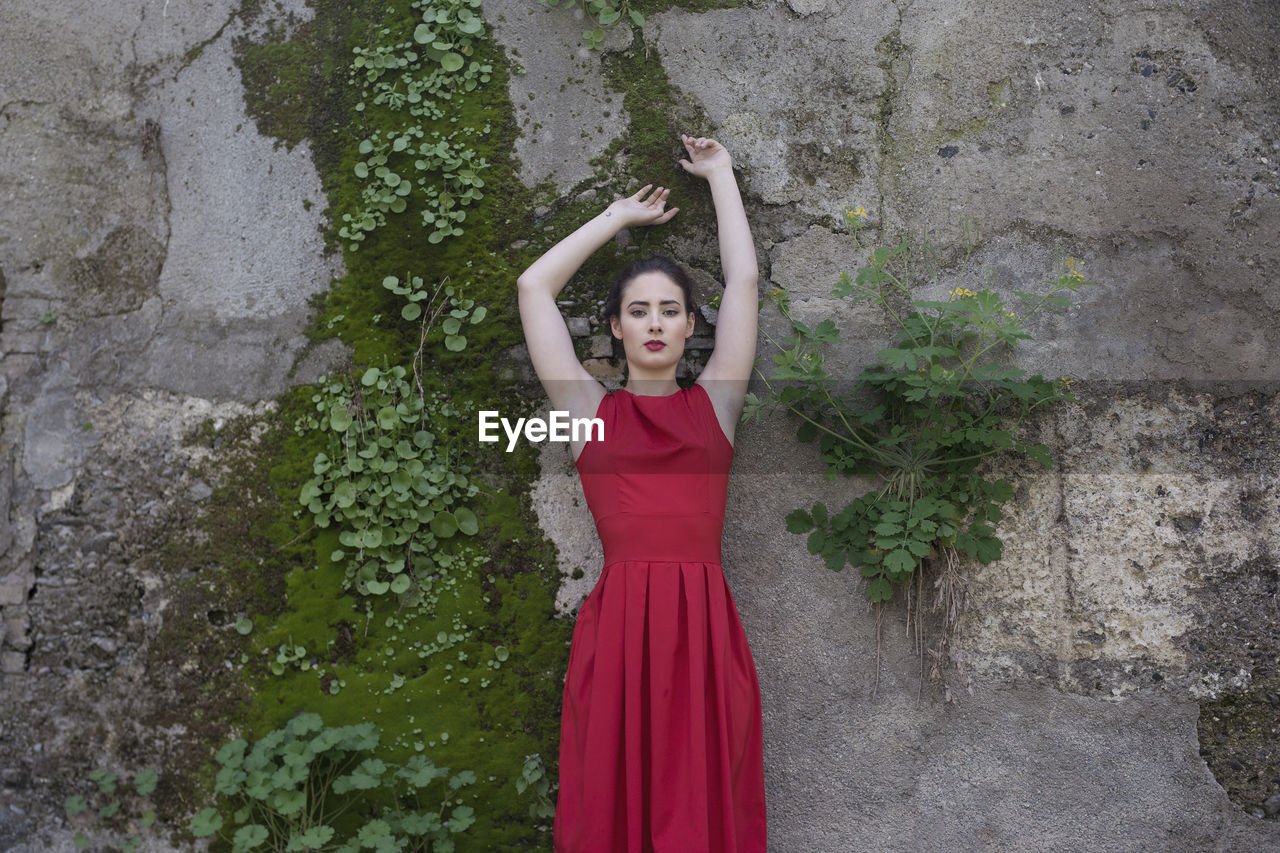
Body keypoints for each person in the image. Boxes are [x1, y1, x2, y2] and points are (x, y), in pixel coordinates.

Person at [517, 134, 767, 852]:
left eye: (669, 311)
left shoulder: (714, 405)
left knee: (705, 801)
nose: (655, 323)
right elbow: (534, 288)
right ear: (617, 327)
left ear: (692, 327)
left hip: (704, 630)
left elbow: (744, 281)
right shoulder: (587, 412)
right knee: (612, 806)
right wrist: (615, 219)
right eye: (638, 311)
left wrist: (720, 175)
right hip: (621, 629)